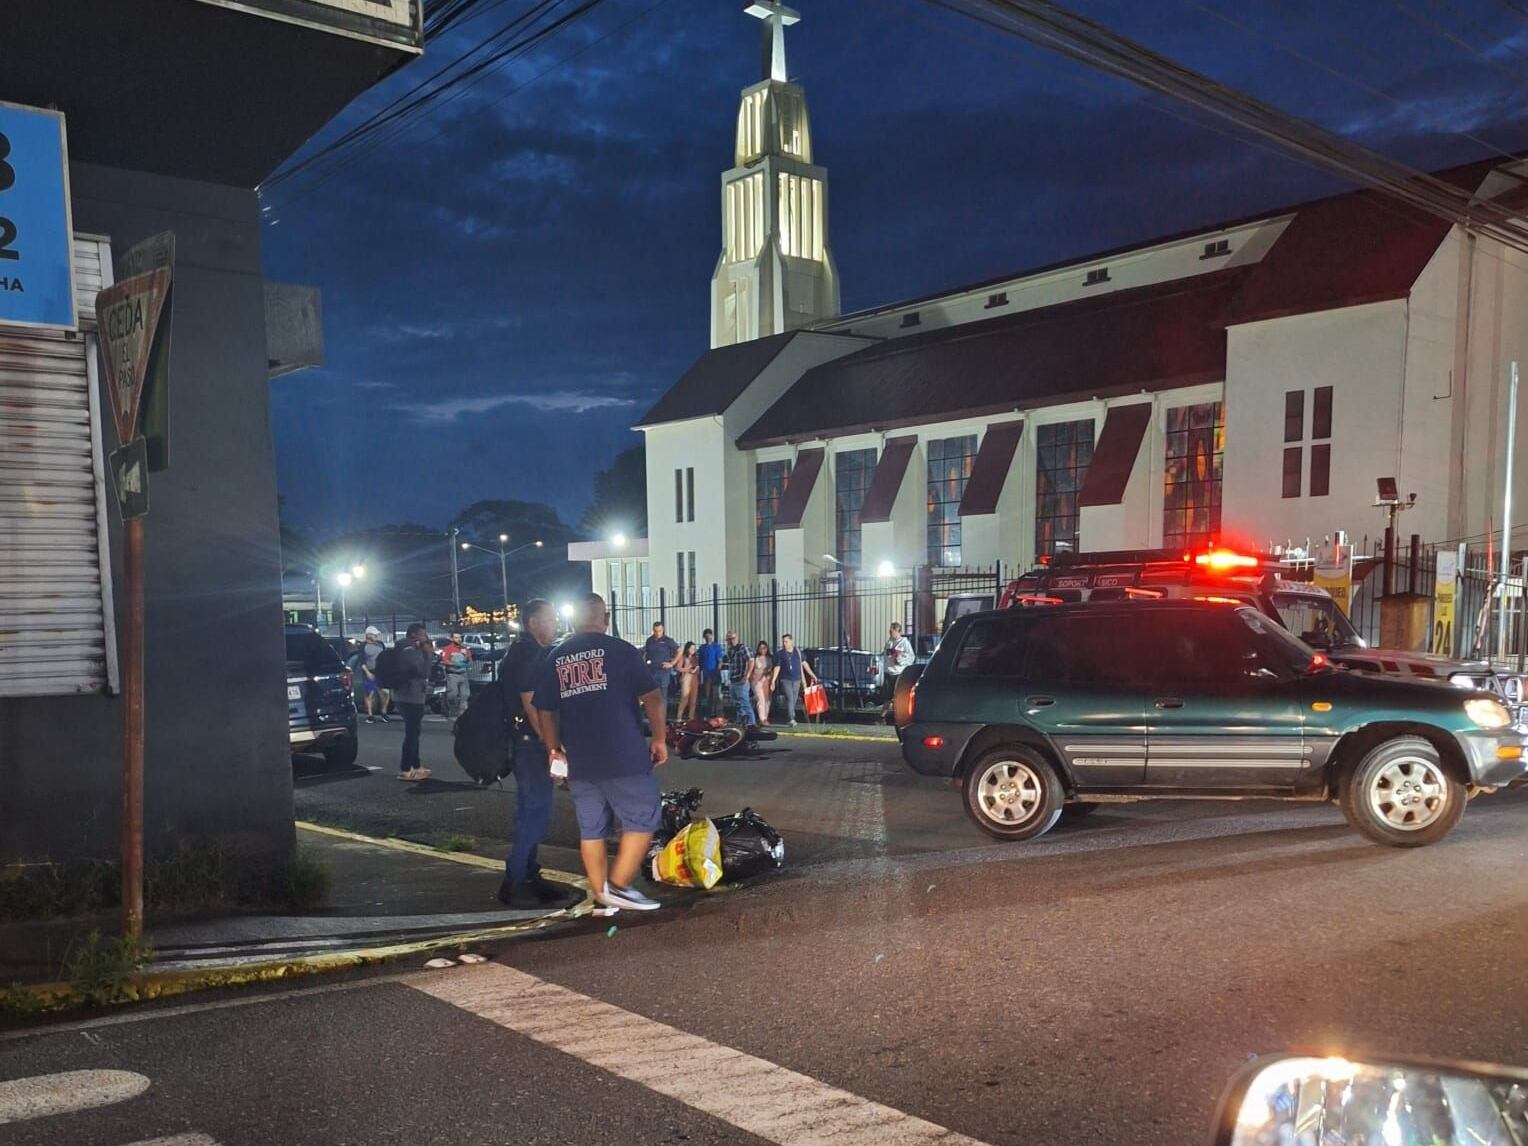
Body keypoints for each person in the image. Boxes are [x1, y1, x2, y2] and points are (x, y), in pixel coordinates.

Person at [532, 593, 667, 912]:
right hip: (623, 752)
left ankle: (601, 898)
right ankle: (618, 886)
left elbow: (545, 711)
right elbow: (653, 697)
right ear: (605, 618)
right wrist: (659, 738)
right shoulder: (622, 651)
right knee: (644, 815)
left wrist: (554, 750)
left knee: (591, 827)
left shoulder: (557, 657)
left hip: (579, 757)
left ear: (574, 621)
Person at [495, 599, 573, 910]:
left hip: (527, 740)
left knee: (532, 809)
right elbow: (531, 703)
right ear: (532, 624)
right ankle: (515, 880)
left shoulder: (524, 651)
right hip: (531, 742)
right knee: (534, 812)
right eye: (550, 619)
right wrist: (553, 748)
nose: (556, 624)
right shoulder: (528, 654)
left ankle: (528, 874)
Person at [392, 623, 434, 782]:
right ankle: (405, 769)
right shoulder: (409, 651)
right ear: (414, 635)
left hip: (409, 694)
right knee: (412, 733)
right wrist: (428, 654)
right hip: (409, 696)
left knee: (414, 732)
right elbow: (424, 672)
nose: (426, 637)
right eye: (423, 634)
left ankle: (416, 766)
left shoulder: (407, 649)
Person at [770, 633, 817, 727]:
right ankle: (791, 718)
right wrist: (773, 680)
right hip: (785, 679)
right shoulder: (780, 654)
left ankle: (791, 716)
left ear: (791, 641)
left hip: (797, 679)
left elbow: (804, 664)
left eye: (786, 641)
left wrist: (812, 674)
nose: (784, 643)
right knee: (790, 698)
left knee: (794, 699)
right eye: (783, 642)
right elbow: (777, 667)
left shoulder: (798, 652)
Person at [876, 621, 914, 720]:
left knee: (898, 697)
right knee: (887, 696)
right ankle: (881, 717)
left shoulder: (904, 643)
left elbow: (911, 657)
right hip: (888, 672)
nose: (891, 634)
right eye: (890, 631)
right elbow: (885, 656)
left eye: (892, 631)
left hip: (898, 673)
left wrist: (898, 658)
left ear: (898, 632)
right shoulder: (889, 642)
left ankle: (899, 718)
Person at [641, 622, 679, 713]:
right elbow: (646, 653)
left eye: (660, 631)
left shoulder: (667, 640)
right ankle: (652, 714)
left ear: (663, 630)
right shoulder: (649, 640)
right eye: (655, 631)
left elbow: (679, 650)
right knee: (651, 693)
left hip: (663, 672)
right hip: (651, 671)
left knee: (662, 695)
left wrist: (672, 663)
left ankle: (662, 716)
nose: (658, 633)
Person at [357, 626, 391, 723]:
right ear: (368, 635)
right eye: (374, 634)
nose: (376, 636)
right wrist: (367, 672)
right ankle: (370, 715)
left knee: (386, 692)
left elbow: (385, 657)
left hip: (380, 672)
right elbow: (362, 660)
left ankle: (383, 712)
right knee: (370, 694)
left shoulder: (380, 644)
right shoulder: (363, 646)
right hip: (370, 671)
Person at [439, 631, 473, 719]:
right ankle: (450, 709)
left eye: (459, 637)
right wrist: (454, 664)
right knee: (452, 694)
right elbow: (443, 660)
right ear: (452, 639)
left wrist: (466, 657)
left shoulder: (465, 648)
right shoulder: (448, 649)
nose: (459, 639)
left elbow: (469, 660)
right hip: (452, 675)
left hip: (463, 674)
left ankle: (463, 714)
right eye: (456, 637)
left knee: (465, 695)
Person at [723, 630, 753, 725]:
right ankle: (741, 720)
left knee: (745, 703)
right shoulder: (730, 650)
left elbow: (751, 661)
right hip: (733, 679)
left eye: (733, 638)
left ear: (737, 638)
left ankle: (751, 723)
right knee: (737, 703)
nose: (731, 641)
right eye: (729, 639)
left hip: (741, 679)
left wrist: (747, 676)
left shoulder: (744, 648)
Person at [696, 628, 724, 717]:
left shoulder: (716, 647)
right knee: (708, 696)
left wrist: (717, 670)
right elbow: (700, 662)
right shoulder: (702, 648)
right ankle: (710, 714)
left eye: (710, 636)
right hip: (706, 675)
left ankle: (719, 715)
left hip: (715, 675)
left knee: (717, 696)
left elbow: (720, 661)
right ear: (704, 637)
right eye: (707, 636)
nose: (709, 638)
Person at [747, 640, 774, 726]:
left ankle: (765, 716)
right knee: (760, 699)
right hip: (756, 681)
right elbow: (750, 669)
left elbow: (772, 670)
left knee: (767, 700)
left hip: (767, 680)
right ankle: (762, 718)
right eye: (761, 648)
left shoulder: (770, 658)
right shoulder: (755, 658)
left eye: (764, 648)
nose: (763, 650)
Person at [674, 641, 700, 721]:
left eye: (694, 648)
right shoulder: (683, 657)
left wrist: (695, 670)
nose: (693, 650)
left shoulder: (695, 658)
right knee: (684, 698)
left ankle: (691, 718)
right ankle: (679, 717)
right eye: (691, 648)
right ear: (687, 648)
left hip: (694, 678)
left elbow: (698, 669)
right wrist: (687, 670)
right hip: (686, 678)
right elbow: (677, 668)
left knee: (693, 699)